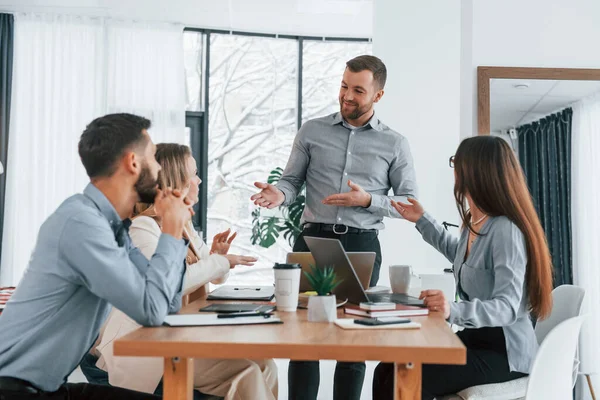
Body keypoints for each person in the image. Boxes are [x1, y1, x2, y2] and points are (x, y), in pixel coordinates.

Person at [251, 55, 418, 400]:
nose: (347, 96)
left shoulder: (395, 144)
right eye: (344, 86)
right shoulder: (312, 131)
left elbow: (408, 205)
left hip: (361, 245)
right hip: (313, 241)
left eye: (358, 90)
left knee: (353, 344)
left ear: (378, 96)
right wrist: (277, 196)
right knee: (303, 342)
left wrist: (368, 201)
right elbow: (290, 181)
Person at [0, 113, 194, 400]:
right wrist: (171, 230)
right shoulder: (81, 224)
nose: (158, 168)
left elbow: (167, 303)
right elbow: (151, 311)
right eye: (154, 157)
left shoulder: (112, 228)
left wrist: (174, 234)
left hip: (43, 388)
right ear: (132, 162)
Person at [86, 143, 277, 400]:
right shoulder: (143, 228)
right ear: (178, 181)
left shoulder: (183, 223)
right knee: (247, 372)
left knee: (266, 364)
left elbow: (212, 272)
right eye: (194, 173)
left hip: (180, 335)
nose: (199, 180)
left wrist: (219, 257)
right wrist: (221, 262)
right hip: (146, 345)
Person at [372, 136, 554, 400]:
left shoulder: (505, 230)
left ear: (476, 170)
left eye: (457, 162)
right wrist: (421, 220)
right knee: (386, 369)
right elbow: (459, 255)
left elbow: (507, 307)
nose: (454, 169)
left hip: (504, 354)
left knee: (402, 381)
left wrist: (451, 309)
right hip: (476, 340)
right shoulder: (475, 220)